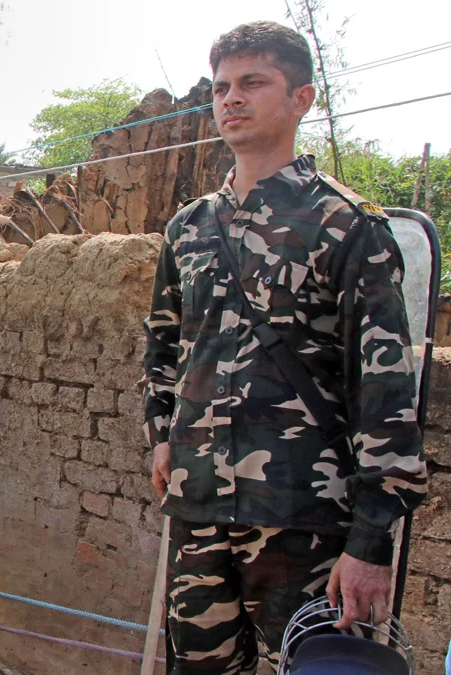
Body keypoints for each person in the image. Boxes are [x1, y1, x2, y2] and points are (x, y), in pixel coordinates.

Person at [140, 21, 428, 672]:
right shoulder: (188, 228)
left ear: (301, 98)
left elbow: (385, 393)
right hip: (199, 514)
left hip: (306, 523)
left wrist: (372, 541)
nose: (231, 99)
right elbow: (162, 347)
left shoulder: (347, 226)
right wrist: (162, 435)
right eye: (221, 88)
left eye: (252, 82)